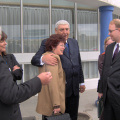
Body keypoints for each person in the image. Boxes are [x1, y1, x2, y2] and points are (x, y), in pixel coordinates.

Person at [31, 20, 85, 120]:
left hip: (74, 89)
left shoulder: (74, 42)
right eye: (61, 29)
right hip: (60, 90)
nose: (65, 32)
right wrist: (43, 59)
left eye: (67, 29)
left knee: (72, 116)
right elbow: (34, 60)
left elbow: (78, 62)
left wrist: (81, 82)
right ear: (56, 31)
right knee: (57, 117)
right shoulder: (49, 42)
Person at [0, 29, 52, 120]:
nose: (5, 43)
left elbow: (19, 74)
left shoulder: (10, 57)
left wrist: (11, 73)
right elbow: (10, 94)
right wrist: (39, 80)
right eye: (1, 40)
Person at [36, 34, 66, 119]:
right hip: (51, 105)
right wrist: (56, 105)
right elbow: (53, 83)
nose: (63, 47)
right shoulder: (52, 58)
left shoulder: (46, 56)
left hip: (47, 102)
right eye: (61, 45)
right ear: (53, 46)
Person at [98, 19, 120, 120]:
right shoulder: (110, 47)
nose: (108, 33)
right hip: (107, 96)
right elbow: (105, 70)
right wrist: (101, 90)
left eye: (111, 31)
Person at [97, 36, 114, 120]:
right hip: (106, 88)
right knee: (105, 113)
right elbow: (102, 74)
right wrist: (100, 90)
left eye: (110, 44)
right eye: (106, 45)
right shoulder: (102, 56)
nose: (108, 46)